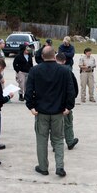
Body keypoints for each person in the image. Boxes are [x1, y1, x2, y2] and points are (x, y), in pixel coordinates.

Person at [25, 46, 75, 177]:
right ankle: (59, 167)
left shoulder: (35, 70)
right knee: (58, 139)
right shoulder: (64, 71)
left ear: (42, 57)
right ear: (55, 55)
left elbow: (28, 90)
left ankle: (43, 167)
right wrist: (69, 107)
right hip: (58, 112)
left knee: (42, 140)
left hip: (41, 112)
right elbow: (71, 90)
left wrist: (31, 106)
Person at [56, 53, 79, 150]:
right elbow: (74, 89)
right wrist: (70, 105)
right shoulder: (68, 72)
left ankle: (55, 144)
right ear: (64, 61)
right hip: (64, 103)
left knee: (54, 126)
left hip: (52, 104)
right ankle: (69, 141)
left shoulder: (49, 70)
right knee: (68, 123)